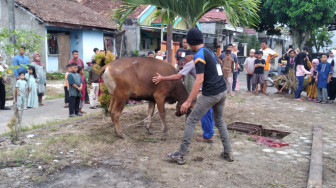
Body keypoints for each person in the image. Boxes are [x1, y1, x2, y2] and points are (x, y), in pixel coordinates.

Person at [167, 28, 233, 165]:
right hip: (222, 91)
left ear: (190, 43)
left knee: (191, 120)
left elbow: (199, 80)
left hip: (211, 93)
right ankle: (228, 152)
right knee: (220, 121)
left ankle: (180, 154)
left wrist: (188, 101)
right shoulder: (210, 52)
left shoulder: (199, 56)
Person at [152, 50, 215, 143]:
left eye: (185, 58)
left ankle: (207, 136)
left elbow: (178, 76)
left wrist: (162, 78)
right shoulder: (206, 60)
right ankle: (209, 133)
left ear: (190, 57)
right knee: (209, 112)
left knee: (203, 112)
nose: (185, 60)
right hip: (214, 87)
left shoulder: (191, 63)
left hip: (207, 89)